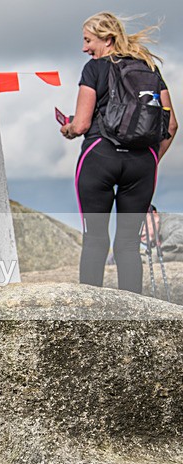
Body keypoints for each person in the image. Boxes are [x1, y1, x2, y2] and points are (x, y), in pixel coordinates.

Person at [60, 12, 177, 293]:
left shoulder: (94, 68)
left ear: (107, 39)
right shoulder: (149, 68)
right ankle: (133, 315)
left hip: (99, 156)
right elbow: (171, 125)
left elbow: (83, 123)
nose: (85, 48)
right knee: (128, 243)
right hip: (141, 162)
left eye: (88, 40)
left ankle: (90, 314)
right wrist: (149, 159)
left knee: (95, 238)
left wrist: (68, 128)